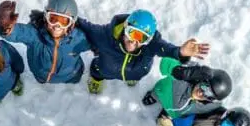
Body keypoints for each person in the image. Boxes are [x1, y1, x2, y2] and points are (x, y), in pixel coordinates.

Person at [76, 9, 209, 94]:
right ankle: (96, 80)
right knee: (97, 71)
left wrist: (181, 52)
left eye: (141, 38)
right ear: (125, 27)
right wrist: (65, 18)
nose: (134, 41)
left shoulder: (152, 44)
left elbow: (167, 49)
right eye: (132, 33)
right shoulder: (105, 35)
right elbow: (86, 27)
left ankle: (131, 79)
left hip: (136, 71)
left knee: (133, 75)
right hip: (105, 68)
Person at [0, 0, 91, 84]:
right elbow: (19, 33)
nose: (57, 26)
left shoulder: (78, 38)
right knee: (42, 79)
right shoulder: (35, 35)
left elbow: (96, 41)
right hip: (42, 75)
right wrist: (6, 28)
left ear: (72, 23)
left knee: (74, 81)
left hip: (71, 75)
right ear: (45, 17)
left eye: (64, 21)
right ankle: (43, 79)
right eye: (52, 19)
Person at [141, 58, 233, 126]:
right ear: (203, 79)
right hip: (163, 92)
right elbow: (164, 63)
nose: (202, 93)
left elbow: (223, 115)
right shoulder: (187, 75)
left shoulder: (209, 106)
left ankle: (166, 112)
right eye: (205, 87)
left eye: (209, 96)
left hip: (176, 111)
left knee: (169, 117)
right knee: (158, 93)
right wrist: (185, 72)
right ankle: (153, 95)